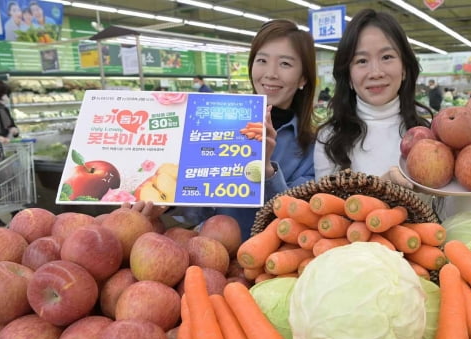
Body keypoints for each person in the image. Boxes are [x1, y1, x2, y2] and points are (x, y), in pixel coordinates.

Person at [129, 20, 317, 240]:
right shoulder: (219, 126)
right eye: (262, 60)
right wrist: (166, 202)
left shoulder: (314, 148)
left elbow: (296, 219)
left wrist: (265, 170)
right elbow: (201, 210)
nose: (271, 73)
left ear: (303, 77)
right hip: (217, 256)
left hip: (280, 260)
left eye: (285, 64)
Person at [314, 8, 431, 189]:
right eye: (361, 61)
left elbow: (448, 215)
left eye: (387, 57)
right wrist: (383, 187)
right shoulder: (329, 138)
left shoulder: (428, 135)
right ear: (349, 76)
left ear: (405, 68)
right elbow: (326, 212)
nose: (375, 72)